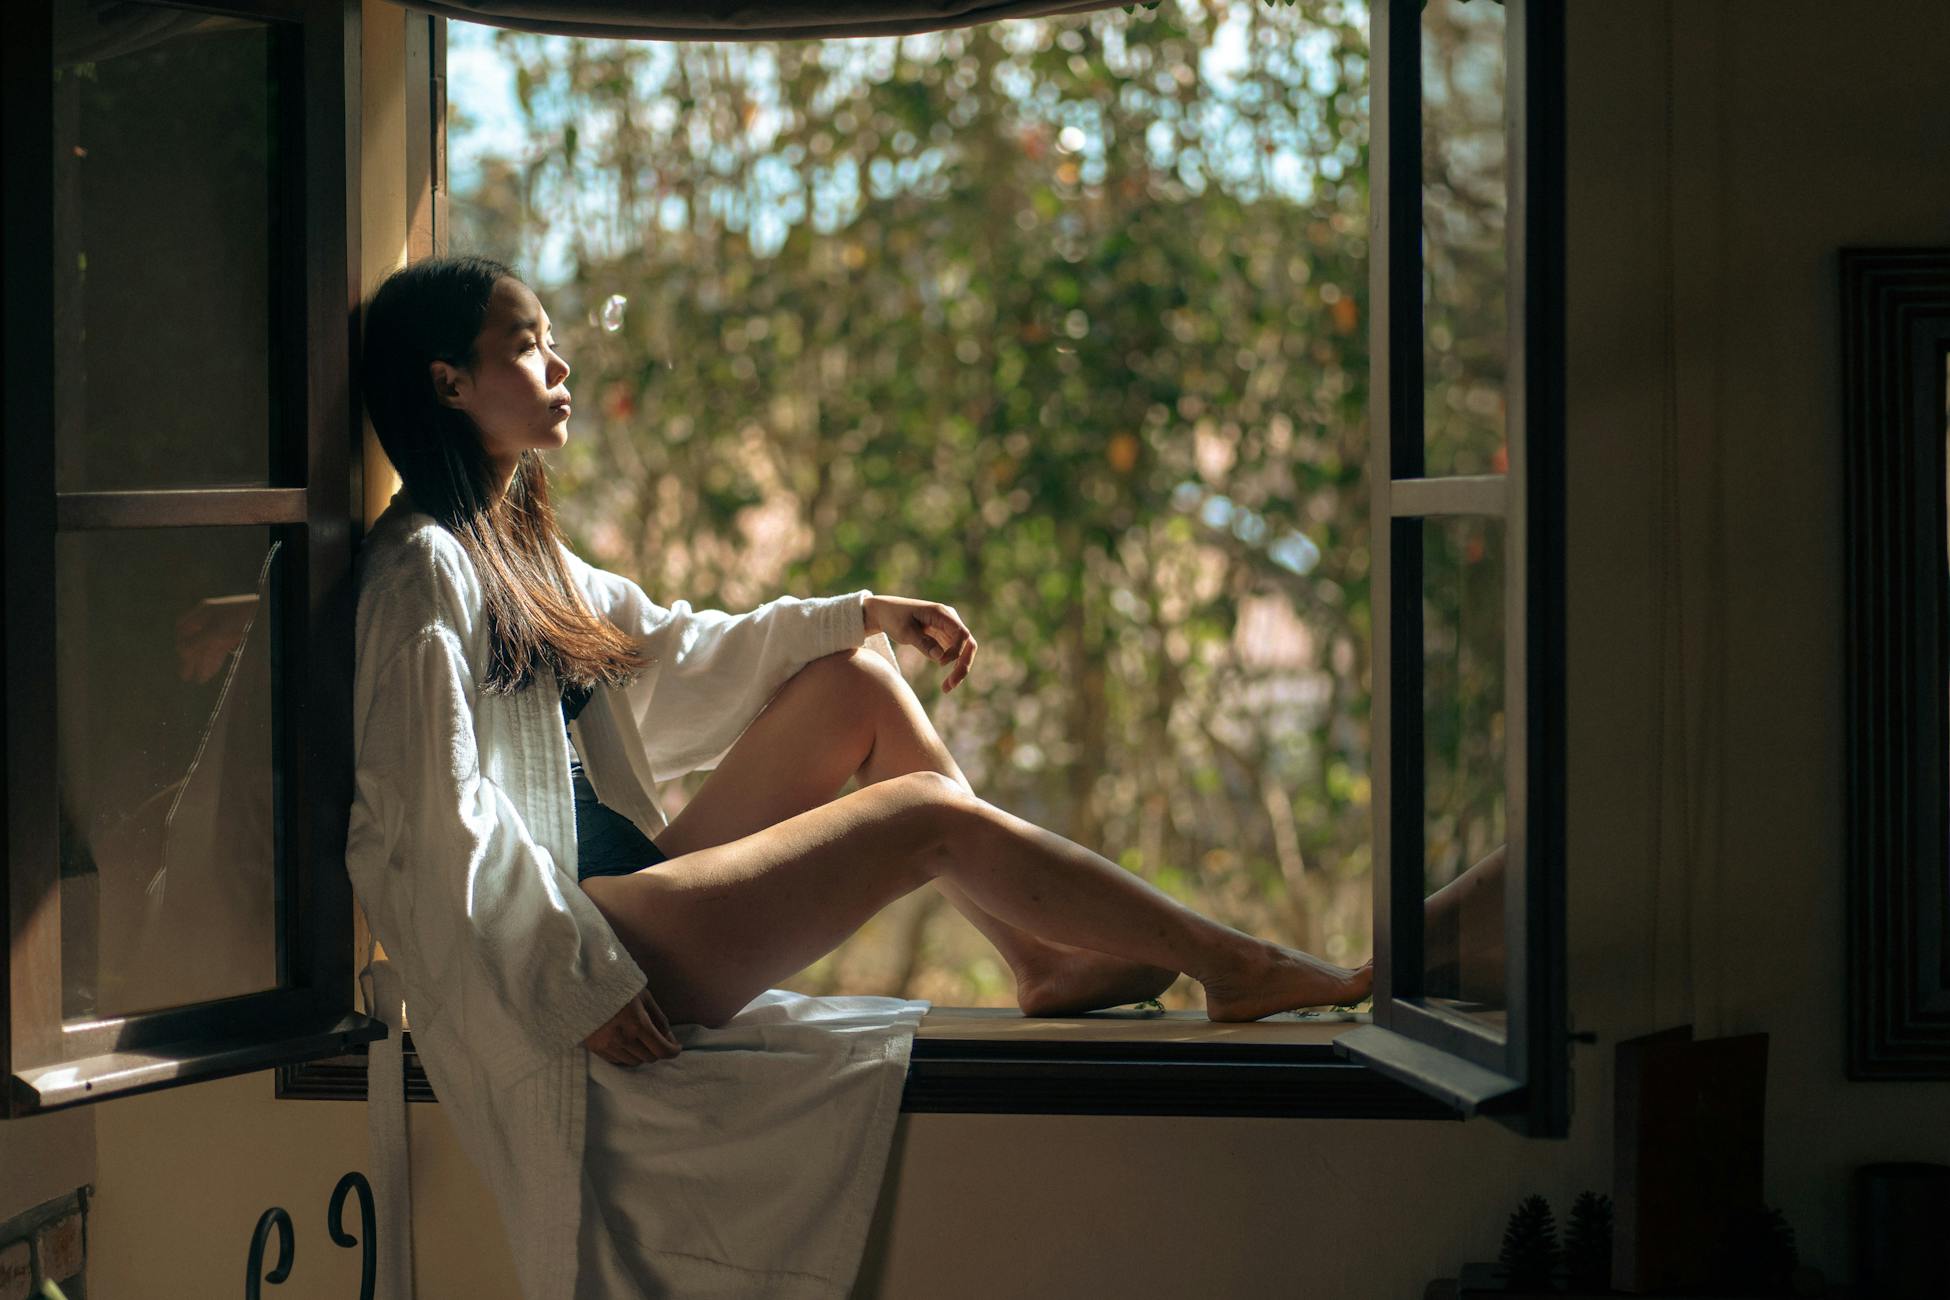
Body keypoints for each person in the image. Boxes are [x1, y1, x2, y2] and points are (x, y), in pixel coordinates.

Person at [351, 254, 1372, 1078]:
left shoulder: (521, 549)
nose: (561, 363)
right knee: (924, 815)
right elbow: (439, 819)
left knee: (858, 682)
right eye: (528, 346)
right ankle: (1235, 962)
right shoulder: (422, 569)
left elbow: (671, 654)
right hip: (595, 943)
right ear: (450, 382)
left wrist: (863, 613)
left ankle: (1040, 957)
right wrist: (571, 987)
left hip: (635, 893)